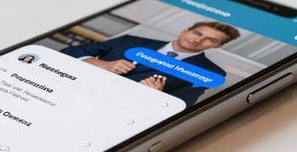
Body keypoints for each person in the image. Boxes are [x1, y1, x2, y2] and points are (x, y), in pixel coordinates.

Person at [61, 21, 240, 106]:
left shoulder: (210, 72)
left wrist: (156, 96)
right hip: (72, 91)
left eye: (211, 40)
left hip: (119, 109)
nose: (198, 40)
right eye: (197, 33)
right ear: (185, 30)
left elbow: (183, 105)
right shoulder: (130, 41)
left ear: (218, 46)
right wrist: (99, 63)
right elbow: (68, 52)